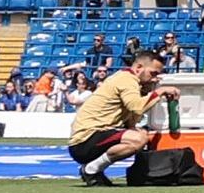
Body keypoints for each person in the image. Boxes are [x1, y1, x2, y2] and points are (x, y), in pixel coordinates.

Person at [66, 42, 174, 182]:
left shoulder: (128, 79)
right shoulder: (126, 80)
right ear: (138, 68)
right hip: (84, 140)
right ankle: (91, 170)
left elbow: (131, 119)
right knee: (138, 139)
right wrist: (159, 92)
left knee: (141, 133)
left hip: (92, 136)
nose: (154, 79)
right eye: (153, 74)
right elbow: (137, 106)